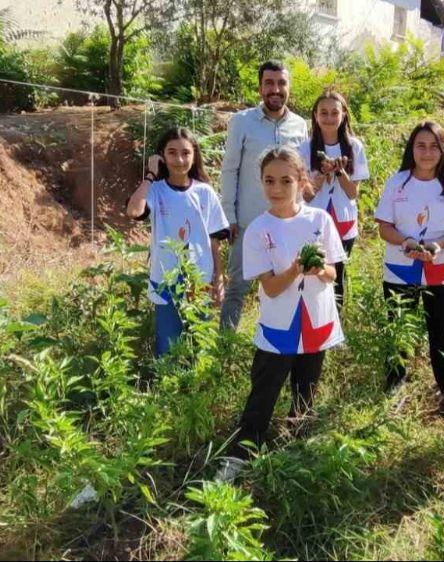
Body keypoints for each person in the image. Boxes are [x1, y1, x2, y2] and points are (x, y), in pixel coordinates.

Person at [217, 146, 346, 482]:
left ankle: (295, 452)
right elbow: (271, 289)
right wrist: (295, 269)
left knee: (306, 392)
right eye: (269, 180)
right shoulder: (259, 229)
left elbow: (334, 273)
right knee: (263, 393)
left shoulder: (320, 220)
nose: (276, 188)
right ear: (260, 183)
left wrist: (318, 269)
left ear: (301, 180)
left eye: (285, 180)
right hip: (278, 328)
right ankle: (240, 457)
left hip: (315, 322)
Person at [374, 122, 444, 424]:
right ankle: (395, 385)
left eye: (434, 145)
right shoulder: (397, 183)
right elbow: (384, 227)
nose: (427, 152)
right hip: (400, 269)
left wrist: (436, 245)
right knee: (398, 332)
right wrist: (406, 242)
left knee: (443, 336)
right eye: (421, 145)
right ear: (411, 149)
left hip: (441, 271)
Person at [220, 60, 309, 330]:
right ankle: (225, 350)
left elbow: (300, 173)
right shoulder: (242, 122)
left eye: (281, 83)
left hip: (287, 224)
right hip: (248, 223)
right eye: (269, 83)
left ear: (289, 87)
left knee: (287, 285)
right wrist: (230, 217)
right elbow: (229, 170)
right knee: (238, 287)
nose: (275, 89)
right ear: (260, 87)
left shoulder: (300, 125)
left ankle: (278, 341)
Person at [126, 127, 230, 356]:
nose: (179, 159)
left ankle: (200, 386)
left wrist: (218, 277)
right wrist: (151, 175)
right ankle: (166, 386)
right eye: (172, 153)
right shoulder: (155, 191)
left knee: (202, 339)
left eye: (186, 153)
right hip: (165, 279)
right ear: (162, 156)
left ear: (195, 156)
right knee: (168, 342)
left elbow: (215, 239)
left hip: (199, 277)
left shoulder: (205, 193)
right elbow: (134, 211)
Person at [298, 89, 369, 312]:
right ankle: (315, 316)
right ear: (316, 116)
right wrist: (321, 175)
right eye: (324, 113)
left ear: (344, 115)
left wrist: (339, 172)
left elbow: (352, 193)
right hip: (313, 221)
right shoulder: (305, 148)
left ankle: (335, 321)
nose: (329, 118)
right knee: (315, 270)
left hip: (343, 223)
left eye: (334, 113)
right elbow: (307, 195)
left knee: (338, 273)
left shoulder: (354, 146)